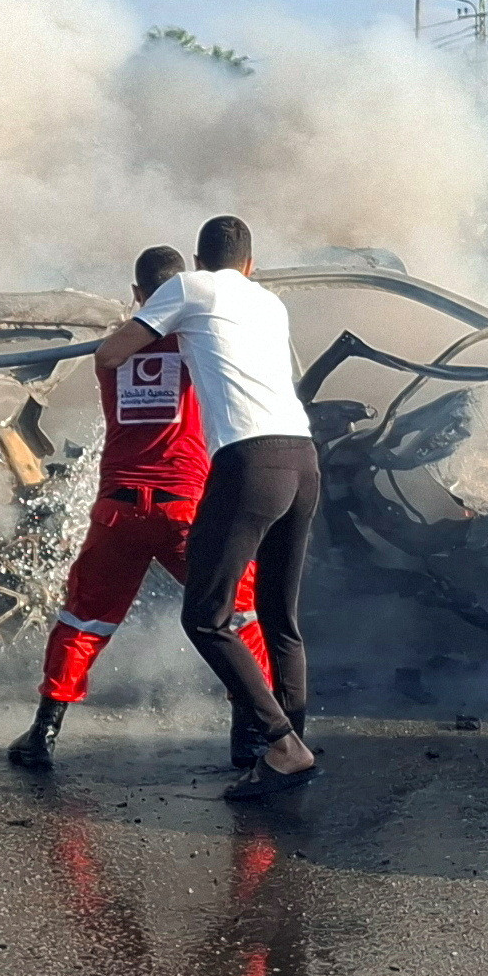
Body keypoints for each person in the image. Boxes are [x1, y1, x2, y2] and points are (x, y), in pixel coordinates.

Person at [12, 246, 275, 769]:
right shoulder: (200, 341)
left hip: (118, 510)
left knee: (83, 616)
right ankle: (252, 737)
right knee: (240, 613)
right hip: (187, 510)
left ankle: (44, 731)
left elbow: (128, 343)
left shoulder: (111, 351)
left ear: (137, 295)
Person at [96, 215, 321, 801]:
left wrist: (153, 326)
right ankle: (291, 744)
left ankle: (281, 745)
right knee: (279, 616)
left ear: (198, 261)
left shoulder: (189, 289)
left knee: (205, 615)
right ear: (251, 264)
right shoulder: (271, 303)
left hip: (249, 464)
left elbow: (112, 353)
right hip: (303, 459)